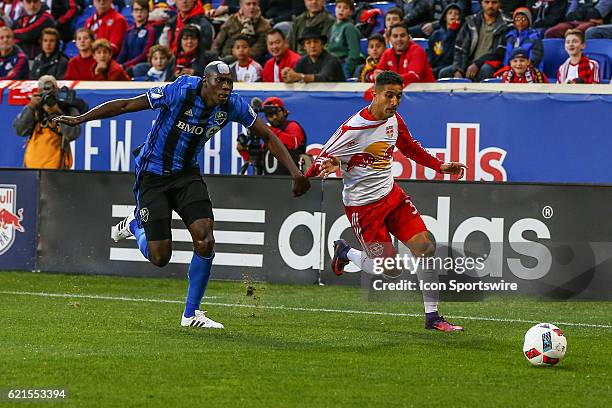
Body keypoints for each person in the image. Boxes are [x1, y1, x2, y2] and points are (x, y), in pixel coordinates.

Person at [52, 61, 311, 329]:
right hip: (153, 174)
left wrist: (295, 173)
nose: (225, 88)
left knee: (205, 238)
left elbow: (267, 135)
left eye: (229, 82)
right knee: (160, 257)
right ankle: (133, 224)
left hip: (187, 174)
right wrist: (81, 118)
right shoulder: (181, 89)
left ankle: (191, 314)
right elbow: (126, 105)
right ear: (204, 81)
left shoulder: (233, 104)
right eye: (219, 82)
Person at [305, 70, 466, 332]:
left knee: (425, 247)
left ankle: (433, 317)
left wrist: (441, 166)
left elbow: (410, 147)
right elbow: (321, 159)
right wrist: (316, 171)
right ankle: (345, 252)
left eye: (399, 97)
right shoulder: (352, 129)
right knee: (389, 269)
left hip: (392, 197)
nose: (394, 102)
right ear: (375, 94)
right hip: (363, 208)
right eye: (389, 96)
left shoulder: (394, 121)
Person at [13, 75, 81, 169]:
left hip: (57, 169)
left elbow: (73, 134)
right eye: (44, 91)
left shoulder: (66, 108)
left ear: (57, 90)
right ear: (39, 91)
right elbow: (19, 130)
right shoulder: (35, 107)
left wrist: (58, 113)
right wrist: (31, 107)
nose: (48, 95)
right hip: (32, 166)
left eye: (52, 91)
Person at [366, 23, 434, 98]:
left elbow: (413, 76)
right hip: (400, 97)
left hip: (424, 96)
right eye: (395, 36)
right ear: (389, 39)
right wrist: (375, 76)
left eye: (402, 35)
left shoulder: (417, 51)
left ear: (409, 37)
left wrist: (387, 79)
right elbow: (378, 72)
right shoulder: (387, 53)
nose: (399, 39)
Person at [446, 0, 508, 81]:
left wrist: (478, 63)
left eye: (494, 2)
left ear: (500, 4)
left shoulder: (506, 24)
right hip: (470, 63)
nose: (490, 6)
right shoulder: (470, 22)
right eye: (487, 2)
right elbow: (460, 49)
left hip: (493, 63)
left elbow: (500, 53)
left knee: (485, 69)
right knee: (445, 73)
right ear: (481, 3)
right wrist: (458, 69)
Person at [212, 0, 271, 64]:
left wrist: (227, 60)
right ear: (241, 6)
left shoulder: (265, 26)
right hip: (221, 59)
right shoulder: (232, 19)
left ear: (258, 5)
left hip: (244, 63)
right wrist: (214, 59)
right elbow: (217, 43)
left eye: (254, 4)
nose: (252, 7)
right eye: (248, 4)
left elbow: (255, 53)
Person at [116, 0, 156, 71]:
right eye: (136, 10)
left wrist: (124, 65)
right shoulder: (129, 31)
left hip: (142, 65)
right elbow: (123, 52)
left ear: (147, 12)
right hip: (128, 65)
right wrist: (116, 65)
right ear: (132, 12)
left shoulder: (151, 31)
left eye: (142, 10)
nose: (139, 12)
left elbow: (144, 55)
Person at [327, 0, 362, 78]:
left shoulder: (349, 28)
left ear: (350, 12)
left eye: (345, 8)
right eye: (339, 7)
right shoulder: (333, 26)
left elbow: (354, 52)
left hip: (343, 64)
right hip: (331, 64)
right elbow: (329, 48)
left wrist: (347, 71)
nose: (341, 10)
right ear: (335, 9)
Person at [428, 3, 463, 78]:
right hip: (437, 66)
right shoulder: (436, 34)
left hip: (451, 67)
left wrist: (452, 31)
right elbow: (430, 54)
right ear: (445, 17)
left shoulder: (462, 33)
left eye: (456, 14)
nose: (453, 15)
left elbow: (449, 56)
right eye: (450, 13)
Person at [544, 0, 611, 38]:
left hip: (592, 23)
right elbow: (569, 15)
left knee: (576, 33)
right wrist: (587, 13)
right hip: (574, 21)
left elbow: (597, 13)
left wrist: (578, 12)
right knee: (551, 32)